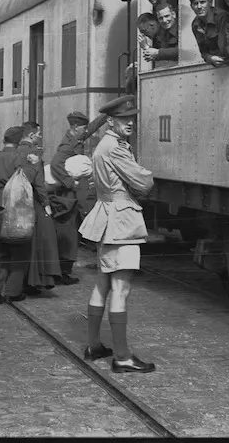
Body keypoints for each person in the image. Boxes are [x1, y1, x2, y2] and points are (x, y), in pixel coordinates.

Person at [78, 96, 155, 373]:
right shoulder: (115, 148)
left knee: (103, 283)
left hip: (107, 218)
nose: (130, 122)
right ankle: (122, 357)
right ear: (111, 121)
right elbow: (144, 181)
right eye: (124, 119)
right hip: (121, 221)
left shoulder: (105, 145)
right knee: (121, 288)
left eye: (132, 118)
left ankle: (94, 345)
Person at [0, 126, 41, 303]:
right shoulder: (20, 158)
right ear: (20, 141)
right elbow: (27, 180)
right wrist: (35, 164)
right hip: (17, 208)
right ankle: (13, 292)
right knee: (20, 250)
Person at [49, 111, 107, 285]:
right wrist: (70, 183)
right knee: (68, 236)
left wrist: (106, 114)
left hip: (74, 197)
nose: (86, 131)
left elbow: (92, 127)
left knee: (72, 234)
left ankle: (63, 270)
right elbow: (55, 164)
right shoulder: (67, 146)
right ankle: (63, 272)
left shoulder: (77, 137)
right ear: (74, 127)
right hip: (68, 198)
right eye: (83, 127)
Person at [19, 121, 62, 293]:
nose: (40, 136)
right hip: (35, 201)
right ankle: (37, 280)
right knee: (42, 239)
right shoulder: (33, 153)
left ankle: (25, 280)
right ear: (31, 135)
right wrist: (46, 204)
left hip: (20, 201)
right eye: (38, 134)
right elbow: (39, 184)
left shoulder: (17, 150)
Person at [187, 0, 229, 67]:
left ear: (210, 2)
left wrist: (213, 57)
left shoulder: (221, 17)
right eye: (195, 3)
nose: (199, 7)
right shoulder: (195, 25)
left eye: (202, 2)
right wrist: (209, 58)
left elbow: (224, 48)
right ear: (191, 6)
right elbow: (203, 51)